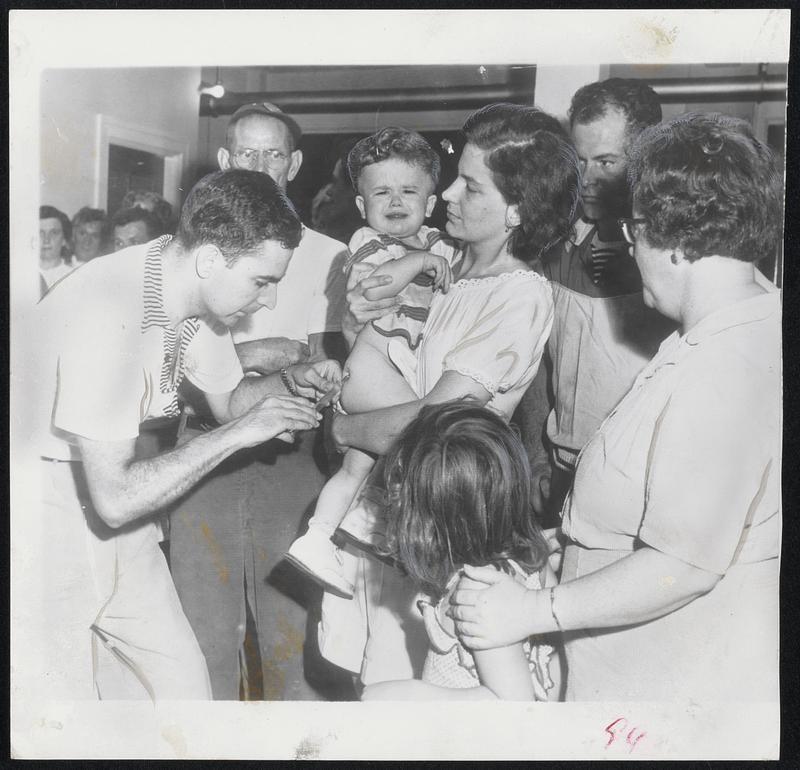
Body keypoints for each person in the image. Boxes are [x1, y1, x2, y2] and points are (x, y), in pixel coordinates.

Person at [450, 113, 782, 702]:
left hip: (667, 678)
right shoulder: (719, 330)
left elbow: (682, 565)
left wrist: (532, 611)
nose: (630, 251)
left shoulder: (727, 367)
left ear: (672, 237)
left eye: (634, 232)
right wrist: (574, 540)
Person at [34, 168, 340, 700]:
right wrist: (241, 434)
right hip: (45, 508)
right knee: (69, 708)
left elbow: (228, 403)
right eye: (261, 281)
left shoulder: (185, 287)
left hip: (112, 504)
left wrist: (289, 384)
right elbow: (116, 499)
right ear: (208, 260)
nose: (268, 302)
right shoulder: (109, 315)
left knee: (182, 686)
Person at [319, 103, 580, 686]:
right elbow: (375, 358)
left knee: (419, 696)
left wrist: (340, 427)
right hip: (383, 517)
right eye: (455, 176)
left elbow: (436, 418)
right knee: (372, 682)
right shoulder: (443, 263)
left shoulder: (519, 295)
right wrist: (356, 327)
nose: (449, 194)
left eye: (471, 185)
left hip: (442, 525)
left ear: (517, 208)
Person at [168, 101, 348, 700]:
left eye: (274, 154)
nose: (261, 165)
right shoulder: (193, 251)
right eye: (247, 152)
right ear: (224, 160)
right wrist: (271, 352)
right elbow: (187, 368)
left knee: (290, 635)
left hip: (294, 457)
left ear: (293, 163)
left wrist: (305, 365)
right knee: (204, 632)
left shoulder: (331, 256)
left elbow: (334, 360)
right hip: (206, 447)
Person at [285, 127, 459, 598]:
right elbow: (380, 283)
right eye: (382, 192)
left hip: (393, 368)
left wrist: (430, 254)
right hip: (372, 364)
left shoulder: (439, 244)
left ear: (432, 199)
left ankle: (320, 536)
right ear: (362, 206)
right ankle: (419, 540)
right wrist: (419, 260)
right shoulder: (367, 241)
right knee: (437, 446)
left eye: (410, 191)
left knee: (357, 470)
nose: (396, 201)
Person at [516, 78, 673, 525]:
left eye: (606, 162)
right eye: (579, 160)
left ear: (645, 155)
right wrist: (534, 453)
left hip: (636, 479)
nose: (586, 180)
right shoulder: (553, 241)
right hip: (564, 469)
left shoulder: (671, 252)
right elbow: (540, 361)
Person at [360, 402, 559, 701]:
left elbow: (515, 706)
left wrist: (413, 694)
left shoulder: (475, 598)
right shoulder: (530, 557)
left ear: (422, 526)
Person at [39, 205, 73, 292]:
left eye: (53, 233)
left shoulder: (74, 276)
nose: (46, 239)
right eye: (40, 233)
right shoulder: (22, 273)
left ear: (64, 240)